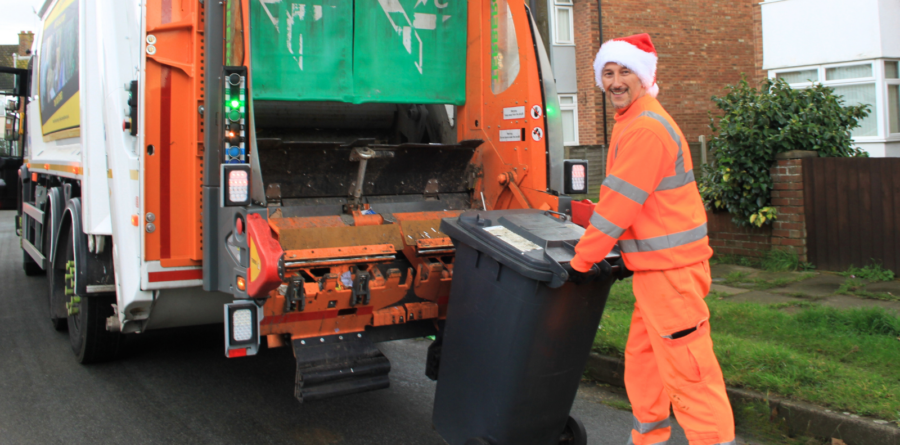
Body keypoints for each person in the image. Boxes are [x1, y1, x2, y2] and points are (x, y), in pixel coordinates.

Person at [569, 33, 736, 445]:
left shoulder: (646, 128)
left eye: (625, 71)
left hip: (671, 276)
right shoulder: (635, 122)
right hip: (657, 272)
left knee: (689, 372)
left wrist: (581, 260)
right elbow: (630, 202)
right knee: (645, 365)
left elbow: (618, 207)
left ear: (644, 76)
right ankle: (648, 439)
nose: (615, 81)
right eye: (607, 73)